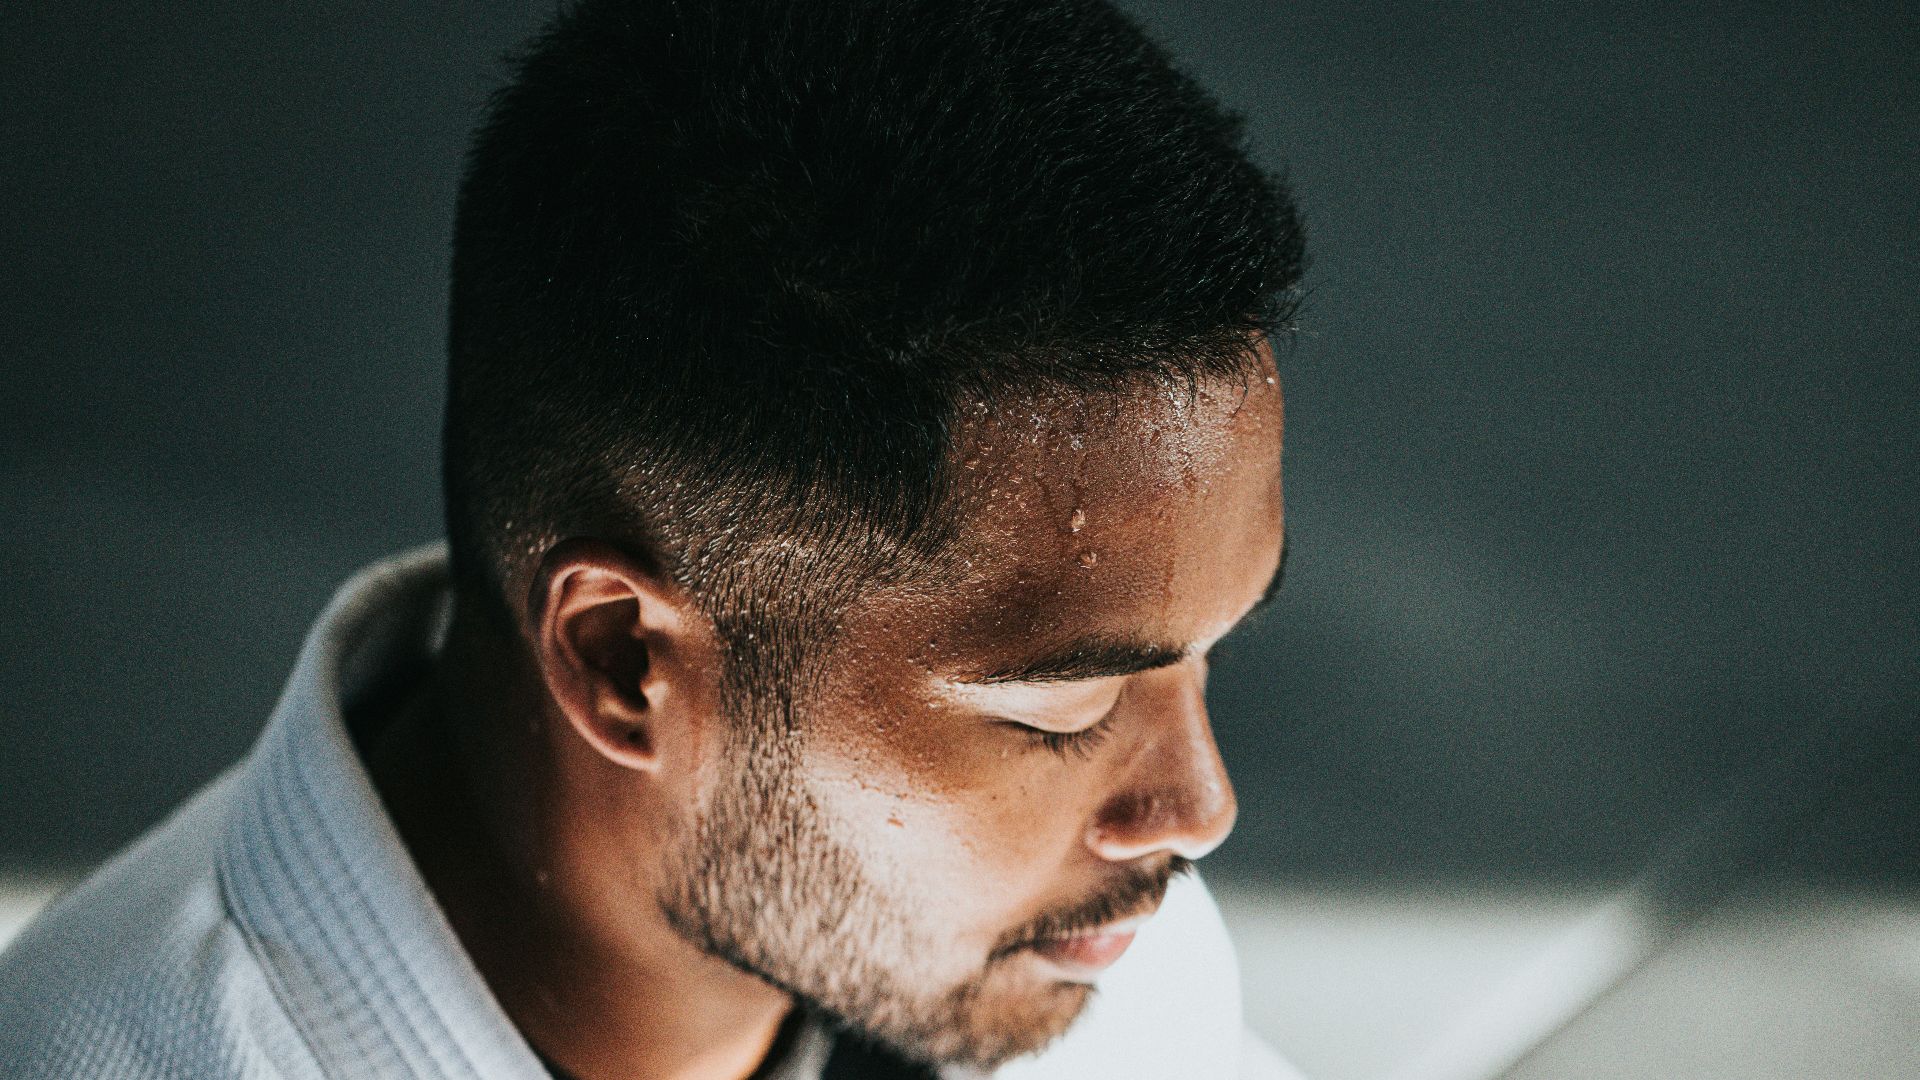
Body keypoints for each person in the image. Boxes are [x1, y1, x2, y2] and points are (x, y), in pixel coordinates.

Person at [0, 0, 1305, 1076]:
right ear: (625, 659)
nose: (1196, 809)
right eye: (1067, 707)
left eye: (1208, 655)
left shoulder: (1094, 983)